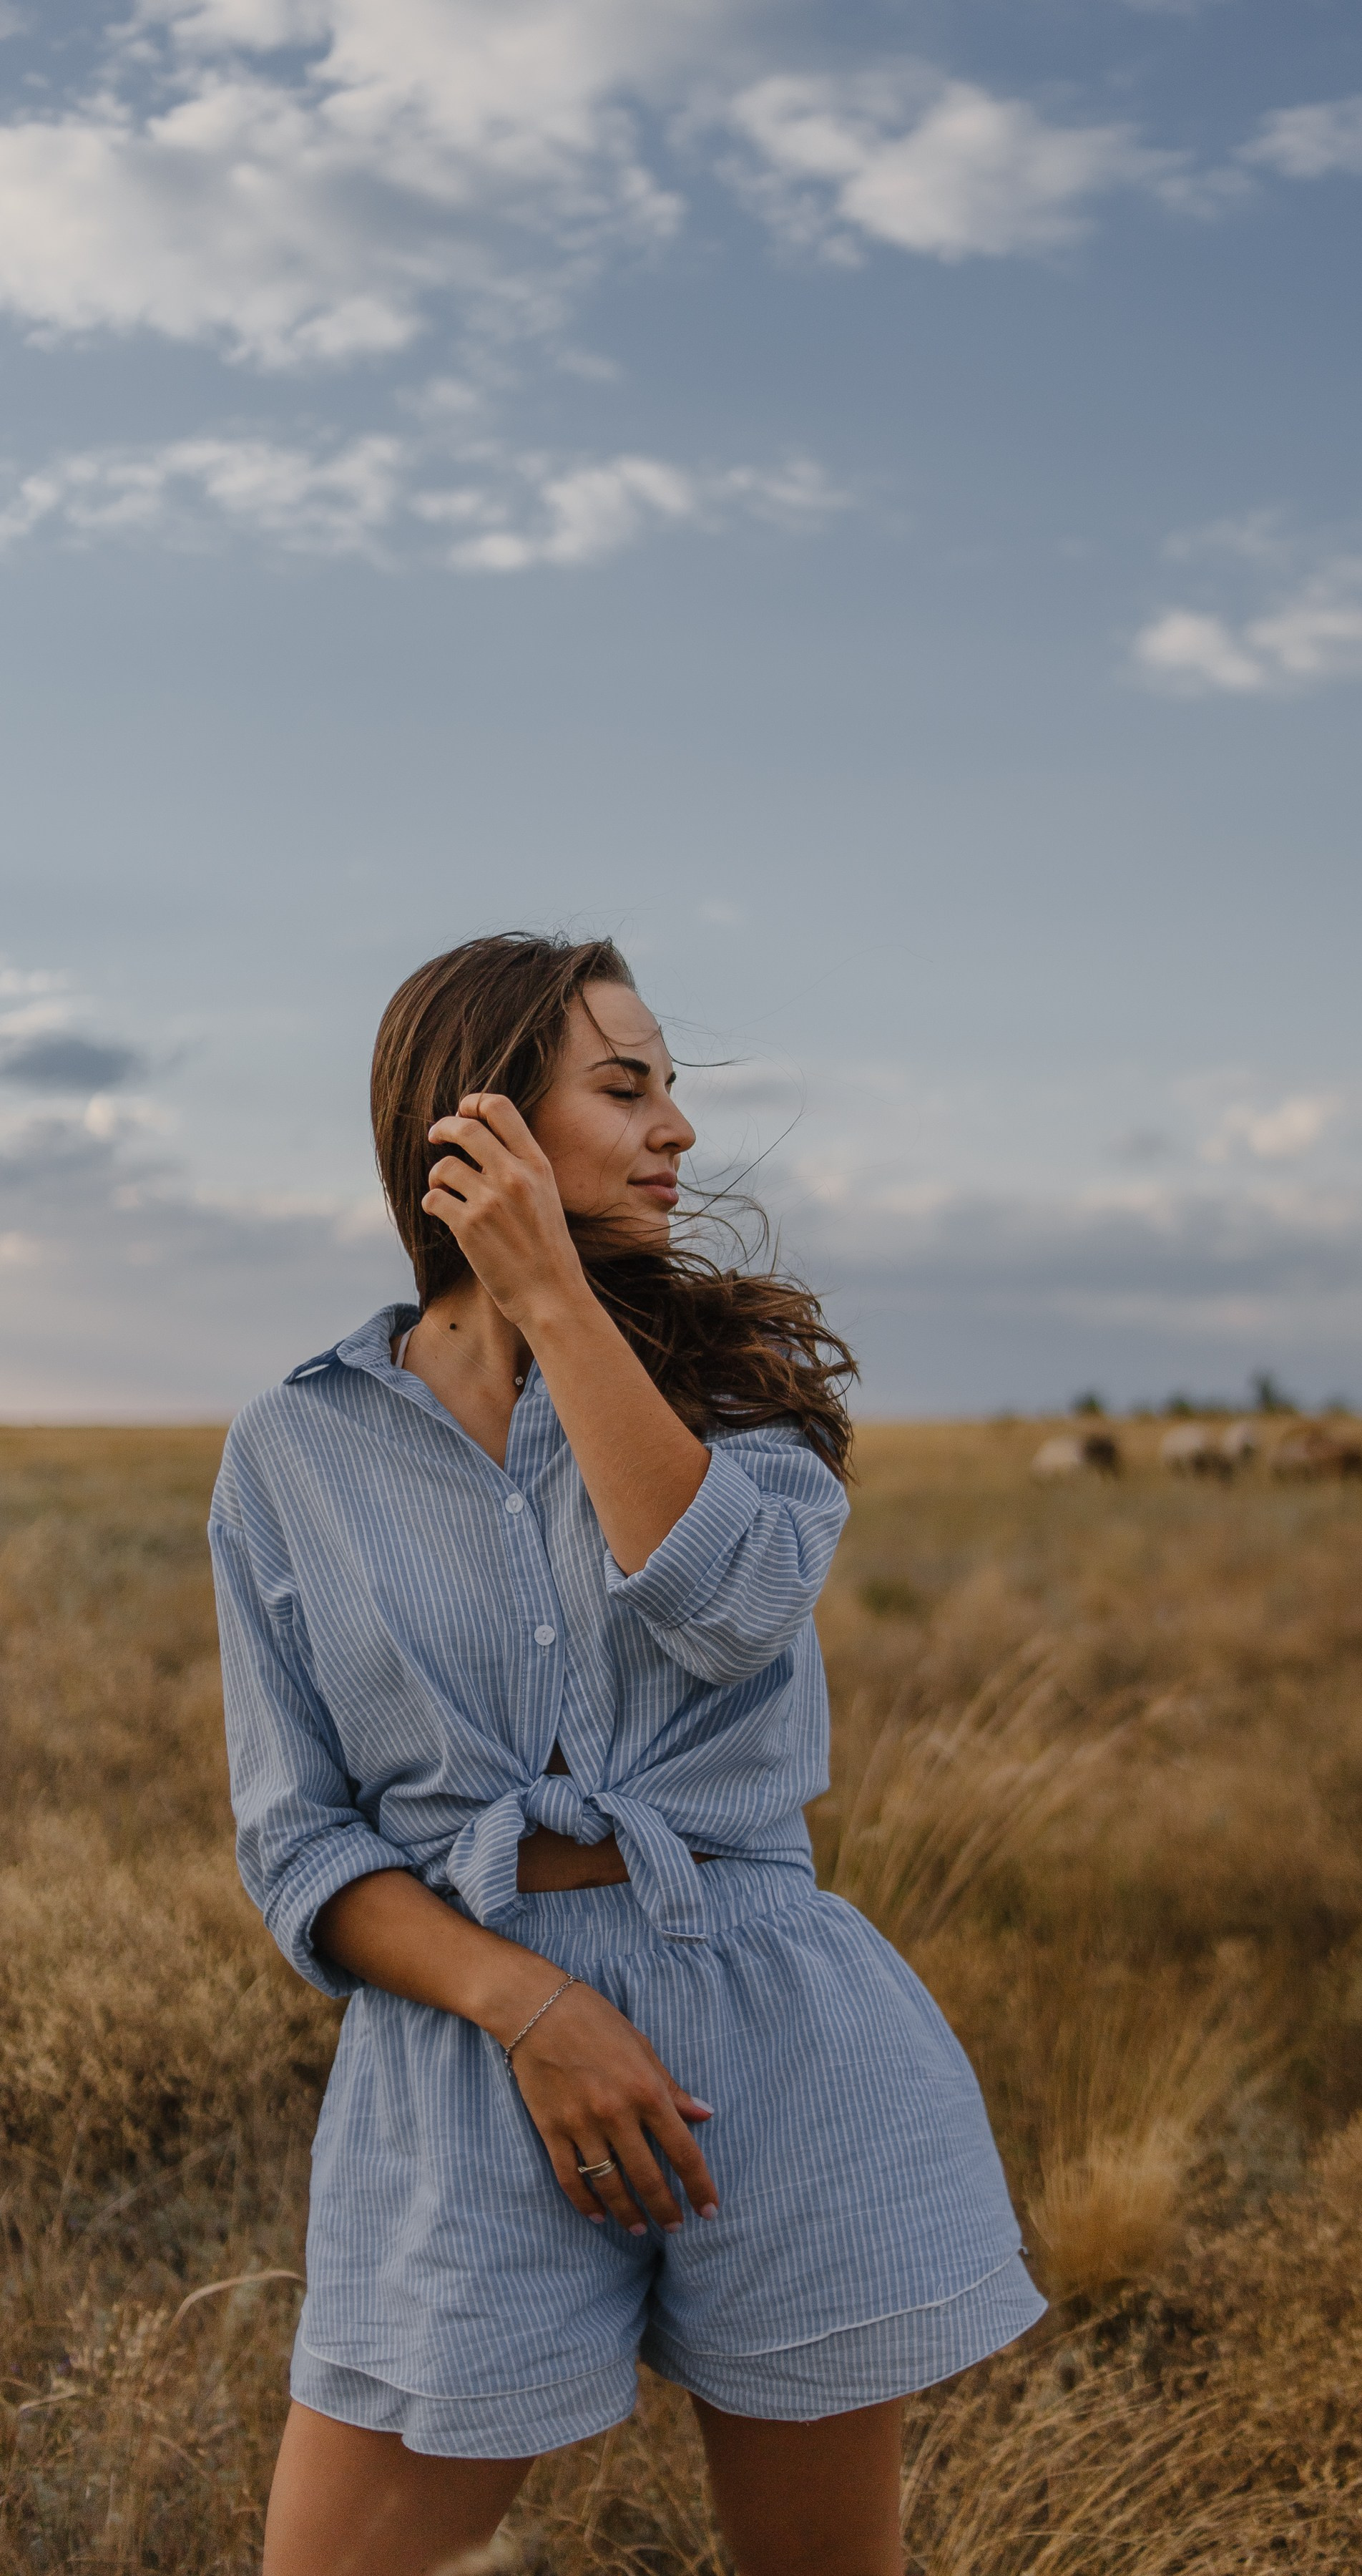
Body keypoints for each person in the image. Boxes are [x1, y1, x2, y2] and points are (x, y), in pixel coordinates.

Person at [210, 933, 1044, 2576]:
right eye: (626, 1086)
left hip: (772, 2031)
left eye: (671, 1089)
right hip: (462, 2058)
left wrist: (555, 1304)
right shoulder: (295, 1447)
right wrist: (533, 2008)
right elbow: (298, 1840)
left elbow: (729, 1611)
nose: (678, 1128)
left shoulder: (738, 1387)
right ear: (482, 1123)